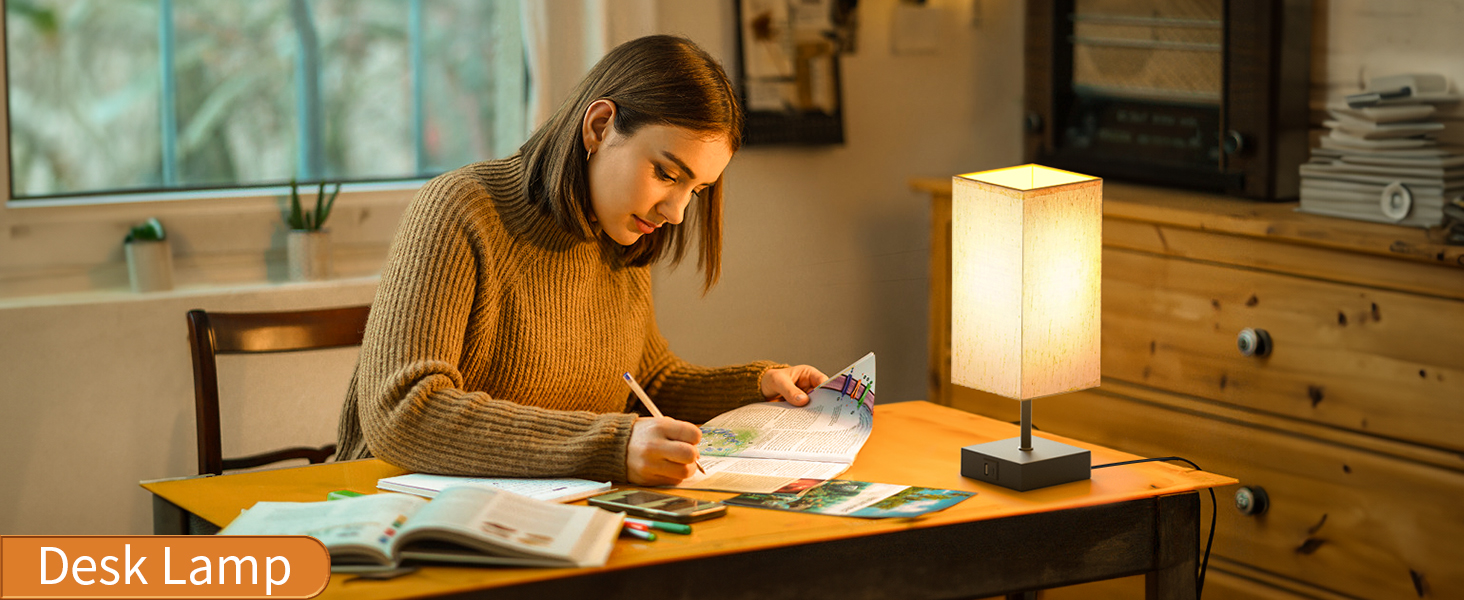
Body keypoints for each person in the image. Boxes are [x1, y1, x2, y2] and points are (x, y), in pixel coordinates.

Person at [335, 35, 827, 486]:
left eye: (694, 190)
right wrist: (611, 445)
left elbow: (647, 384)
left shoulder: (621, 235)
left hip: (546, 511)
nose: (676, 212)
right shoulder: (461, 210)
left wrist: (758, 386)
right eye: (665, 173)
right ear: (599, 126)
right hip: (393, 514)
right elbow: (401, 413)